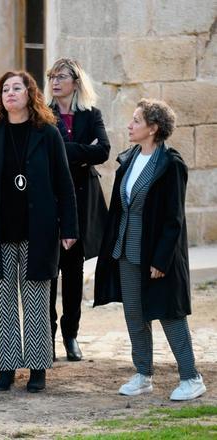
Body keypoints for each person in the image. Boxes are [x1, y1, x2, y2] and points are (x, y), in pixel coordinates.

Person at [0, 70, 78, 393]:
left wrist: (69, 227)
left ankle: (38, 367)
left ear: (30, 94)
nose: (10, 93)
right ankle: (6, 366)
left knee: (36, 300)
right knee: (1, 302)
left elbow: (64, 183)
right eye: (5, 89)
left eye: (17, 88)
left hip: (38, 228)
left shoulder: (48, 133)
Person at [94, 99, 207, 401]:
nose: (129, 126)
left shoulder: (171, 164)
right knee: (134, 313)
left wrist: (161, 258)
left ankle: (191, 377)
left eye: (136, 120)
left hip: (157, 256)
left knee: (169, 313)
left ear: (153, 128)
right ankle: (143, 374)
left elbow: (174, 218)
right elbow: (121, 207)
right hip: (126, 251)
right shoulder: (129, 159)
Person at [44, 58, 110, 362]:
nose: (55, 82)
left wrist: (65, 152)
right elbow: (46, 153)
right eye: (52, 76)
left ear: (76, 82)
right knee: (48, 274)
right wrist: (81, 153)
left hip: (83, 203)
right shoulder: (43, 115)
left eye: (62, 76)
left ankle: (71, 335)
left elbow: (103, 150)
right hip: (51, 200)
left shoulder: (90, 114)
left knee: (72, 273)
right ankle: (48, 336)